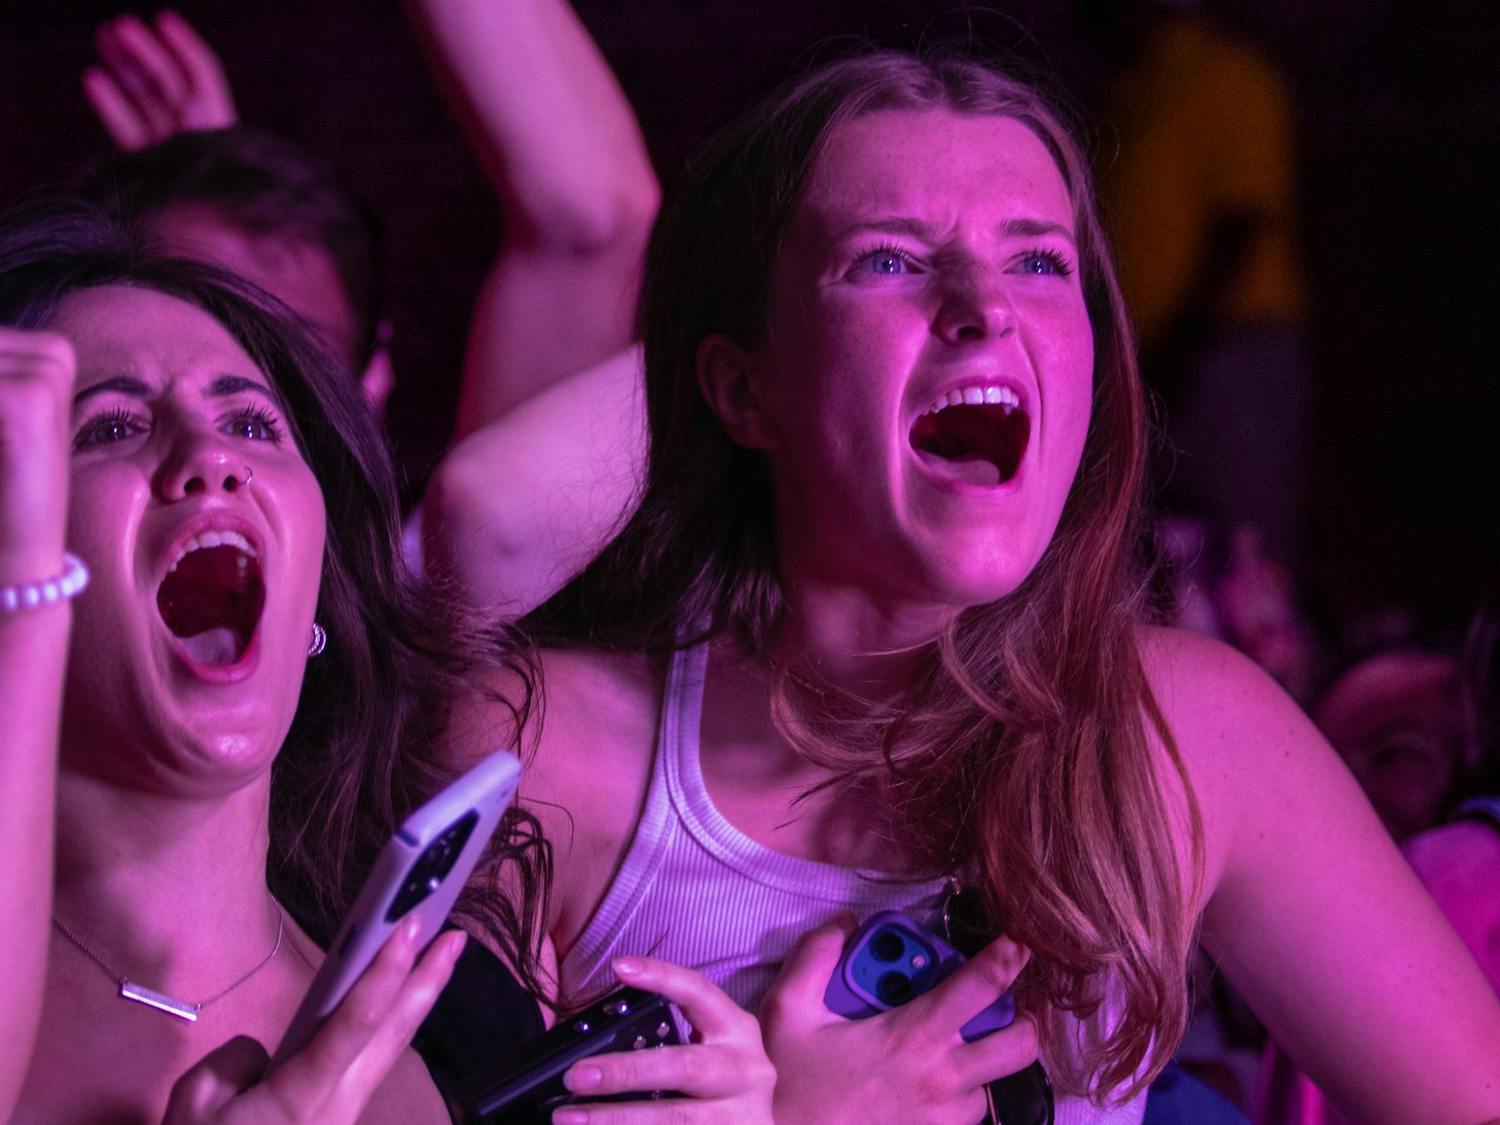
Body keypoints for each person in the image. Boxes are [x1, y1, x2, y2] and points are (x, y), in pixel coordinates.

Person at [434, 49, 1500, 1123]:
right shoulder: (538, 751)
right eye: (890, 262)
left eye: (1040, 264)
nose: (984, 308)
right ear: (744, 387)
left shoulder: (1185, 735)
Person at [0, 202, 772, 1123]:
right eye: (108, 428)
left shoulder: (455, 1005)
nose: (209, 457)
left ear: (312, 600)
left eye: (252, 425)